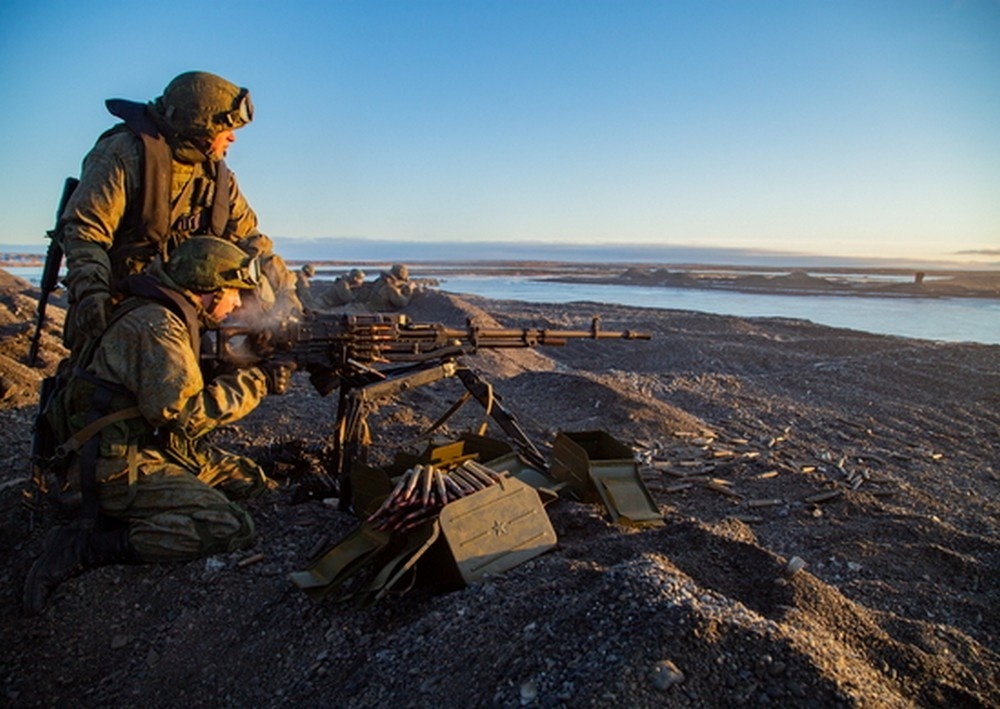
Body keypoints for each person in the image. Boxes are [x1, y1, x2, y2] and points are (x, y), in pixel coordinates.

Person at [23, 236, 296, 616]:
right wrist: (258, 381)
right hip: (115, 466)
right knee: (228, 526)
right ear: (207, 290)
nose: (236, 303)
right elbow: (184, 416)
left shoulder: (162, 312)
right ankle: (86, 547)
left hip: (144, 446)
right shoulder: (156, 326)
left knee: (249, 479)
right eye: (233, 292)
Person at [58, 70, 301, 355]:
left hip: (185, 310)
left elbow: (251, 241)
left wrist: (288, 299)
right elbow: (85, 233)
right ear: (199, 125)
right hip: (126, 307)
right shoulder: (125, 154)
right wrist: (92, 295)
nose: (232, 138)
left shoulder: (216, 176)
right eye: (225, 129)